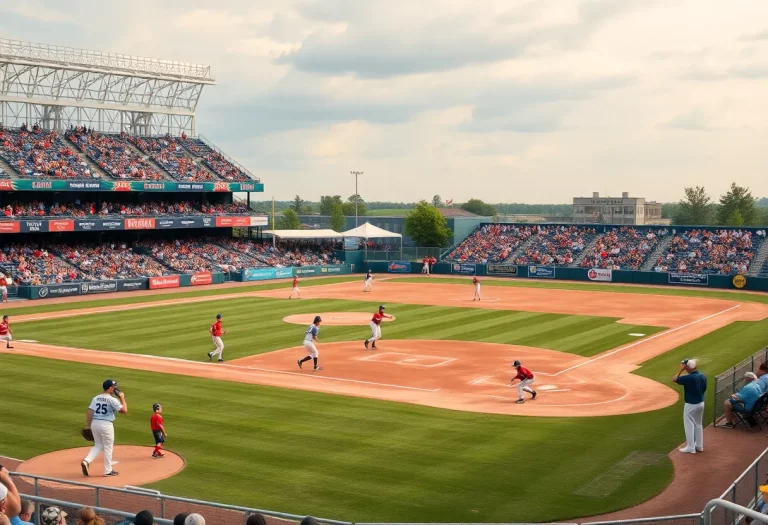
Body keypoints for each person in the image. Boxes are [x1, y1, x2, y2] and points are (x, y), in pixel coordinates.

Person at [81, 379, 127, 477]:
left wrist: (88, 426)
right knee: (108, 447)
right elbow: (124, 410)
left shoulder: (96, 398)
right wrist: (122, 398)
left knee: (98, 445)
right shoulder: (112, 400)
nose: (115, 389)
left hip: (95, 423)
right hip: (106, 425)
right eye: (114, 387)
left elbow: (90, 411)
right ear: (110, 388)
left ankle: (86, 461)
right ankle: (108, 471)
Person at [672, 359, 706, 454]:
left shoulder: (689, 378)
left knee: (688, 424)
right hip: (701, 402)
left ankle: (691, 447)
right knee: (698, 424)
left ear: (687, 367)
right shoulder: (702, 375)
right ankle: (699, 446)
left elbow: (674, 379)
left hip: (691, 404)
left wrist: (681, 370)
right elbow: (704, 388)